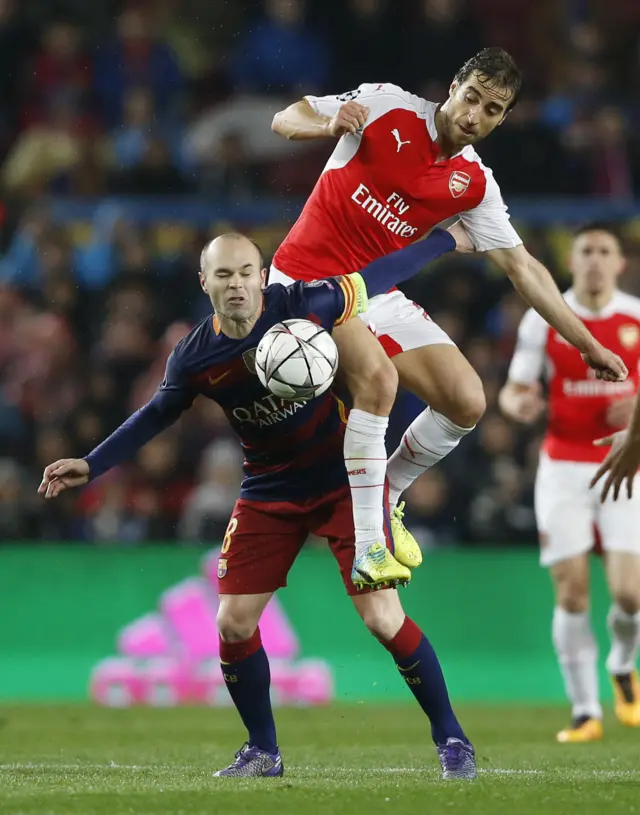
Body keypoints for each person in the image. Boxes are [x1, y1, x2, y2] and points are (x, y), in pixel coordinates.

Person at [38, 228, 478, 780]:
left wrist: (441, 240)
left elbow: (372, 280)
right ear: (205, 283)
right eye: (223, 275)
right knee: (233, 622)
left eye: (246, 272)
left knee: (383, 618)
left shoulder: (302, 305)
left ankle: (453, 740)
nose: (237, 285)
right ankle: (263, 751)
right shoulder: (195, 355)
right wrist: (92, 463)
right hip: (268, 491)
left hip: (344, 481)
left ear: (262, 275)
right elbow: (154, 415)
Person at [271, 46, 627, 583]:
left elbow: (524, 269)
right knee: (379, 381)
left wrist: (589, 344)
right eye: (471, 97)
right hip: (305, 282)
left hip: (373, 294)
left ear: (503, 118)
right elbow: (285, 116)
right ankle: (366, 544)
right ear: (455, 86)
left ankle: (385, 492)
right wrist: (324, 123)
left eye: (491, 110)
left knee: (466, 401)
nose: (474, 115)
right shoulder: (387, 105)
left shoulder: (475, 185)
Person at [498, 224, 640, 742]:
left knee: (630, 596)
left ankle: (623, 666)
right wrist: (520, 406)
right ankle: (585, 711)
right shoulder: (546, 320)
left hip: (628, 468)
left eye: (606, 252)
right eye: (587, 251)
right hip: (562, 467)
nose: (597, 260)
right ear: (572, 261)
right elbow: (514, 391)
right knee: (573, 594)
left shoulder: (636, 318)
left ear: (620, 264)